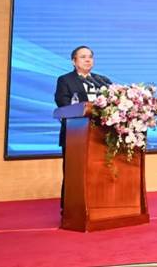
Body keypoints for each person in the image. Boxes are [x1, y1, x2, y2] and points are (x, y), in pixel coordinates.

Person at [54, 45, 113, 212]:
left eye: (90, 57)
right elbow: (63, 105)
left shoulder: (103, 80)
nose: (88, 60)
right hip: (76, 136)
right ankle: (71, 209)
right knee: (74, 173)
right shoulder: (65, 80)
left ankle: (98, 206)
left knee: (99, 171)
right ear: (74, 61)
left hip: (101, 135)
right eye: (83, 57)